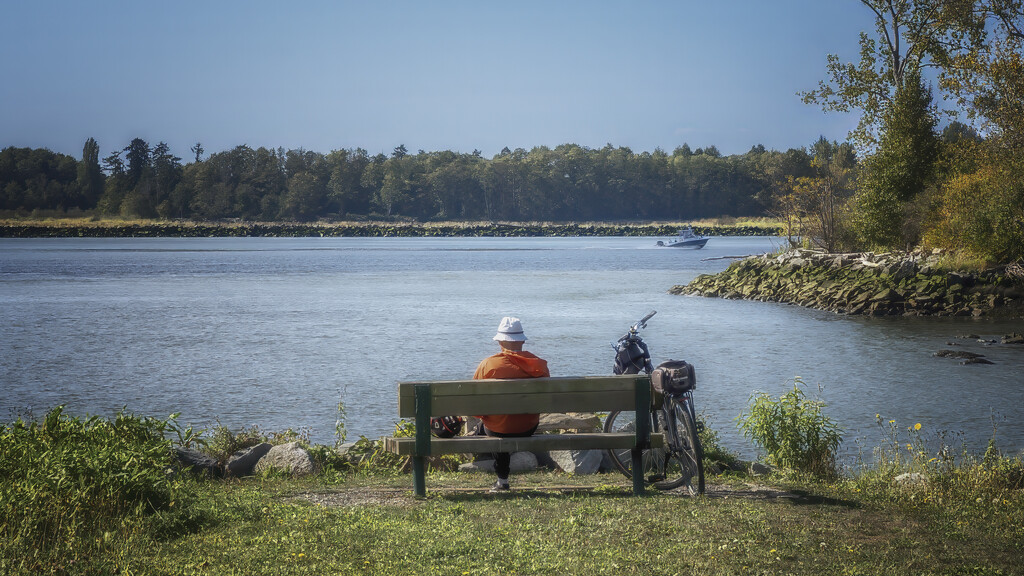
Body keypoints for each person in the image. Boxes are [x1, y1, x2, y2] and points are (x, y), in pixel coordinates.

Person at [473, 316, 549, 492]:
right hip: (528, 426)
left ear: (500, 340)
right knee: (502, 421)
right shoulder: (539, 365)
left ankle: (502, 480)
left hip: (499, 428)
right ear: (522, 340)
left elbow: (476, 406)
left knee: (495, 424)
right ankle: (501, 479)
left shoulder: (488, 365)